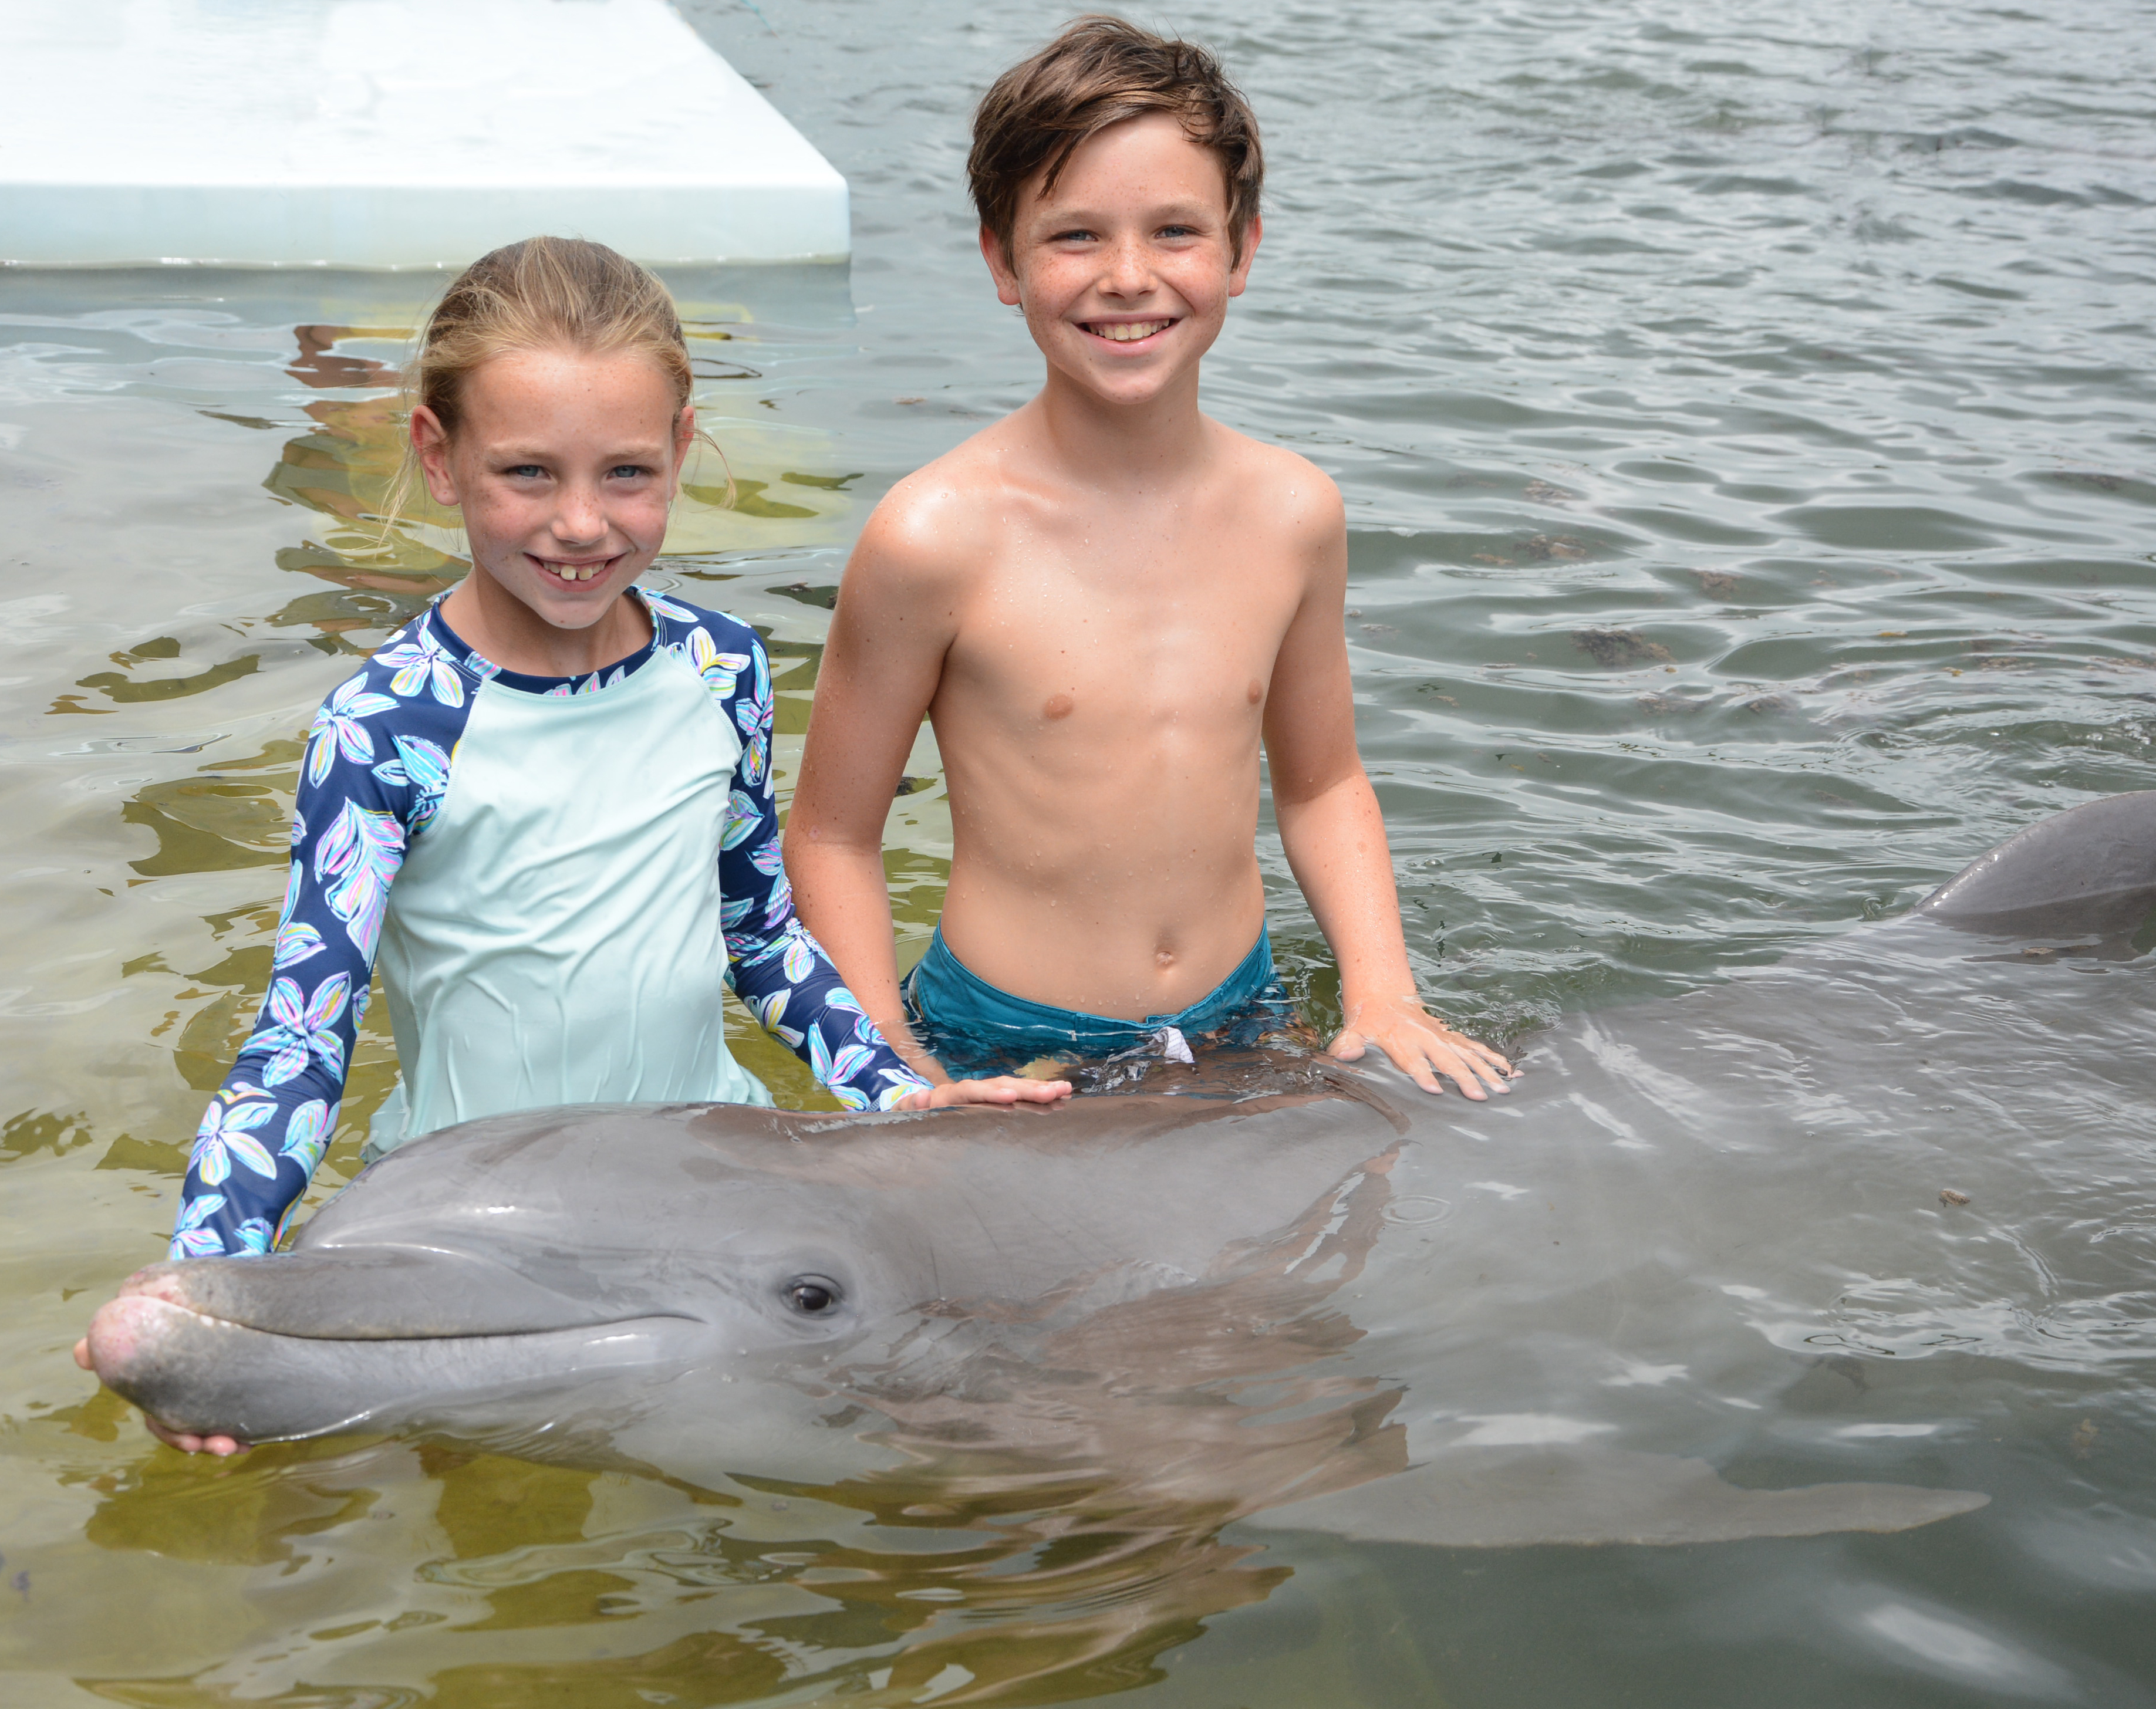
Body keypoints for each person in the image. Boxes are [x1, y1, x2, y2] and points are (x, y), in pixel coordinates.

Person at [80, 237, 1069, 1454]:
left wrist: (899, 1095)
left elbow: (758, 931)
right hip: (475, 1224)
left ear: (683, 452)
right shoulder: (389, 725)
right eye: (528, 473)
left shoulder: (718, 669)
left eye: (627, 473)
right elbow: (303, 1033)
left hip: (721, 1203)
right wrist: (217, 1281)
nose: (582, 524)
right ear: (437, 458)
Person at [784, 17, 1514, 1098]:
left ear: (1242, 249)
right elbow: (835, 833)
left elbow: (1322, 784)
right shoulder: (936, 534)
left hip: (1241, 1015)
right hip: (1002, 1035)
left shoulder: (1292, 512)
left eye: (1176, 231)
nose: (1129, 278)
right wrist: (888, 1055)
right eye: (1075, 236)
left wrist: (1381, 992)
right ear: (1001, 260)